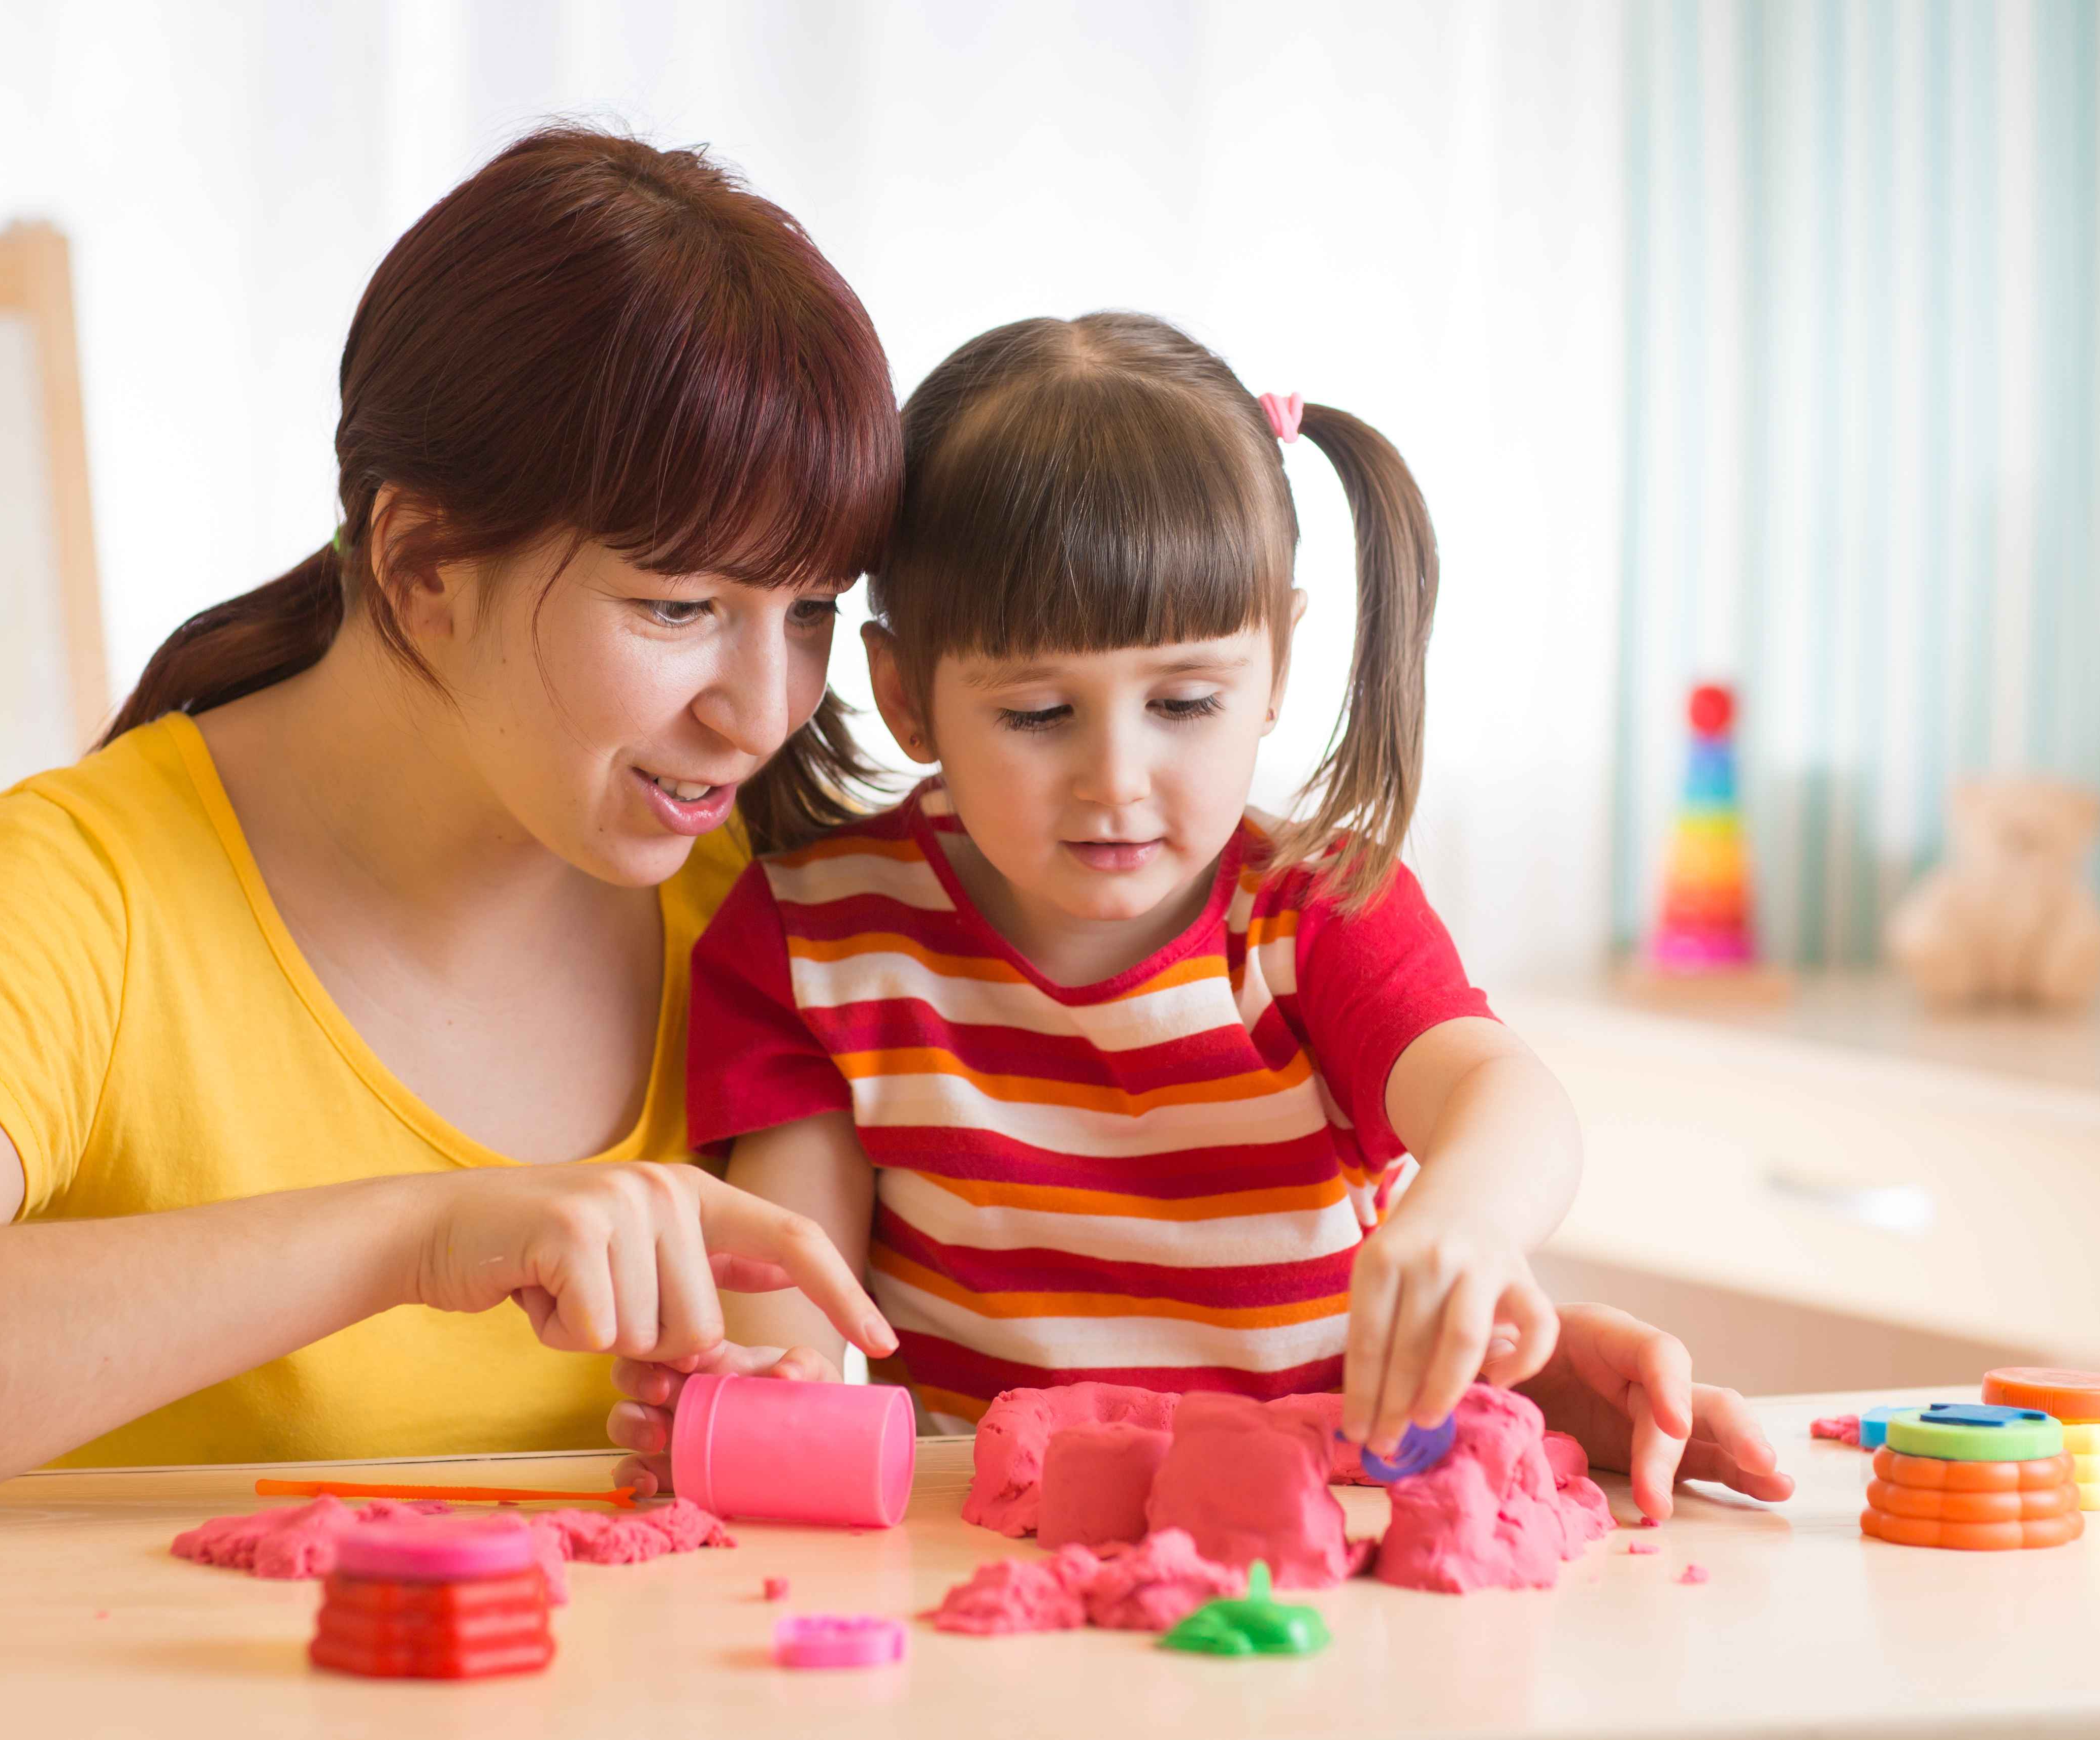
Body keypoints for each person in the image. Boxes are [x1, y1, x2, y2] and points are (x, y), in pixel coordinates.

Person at [0, 127, 905, 1526]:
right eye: (679, 610)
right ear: (424, 567)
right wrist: (410, 1234)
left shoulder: (779, 906)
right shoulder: (88, 889)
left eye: (807, 614)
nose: (764, 708)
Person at [611, 314, 1794, 1518]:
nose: (1115, 779)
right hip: (998, 1545)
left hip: (1319, 1533)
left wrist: (1466, 1230)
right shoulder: (818, 940)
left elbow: (1508, 1099)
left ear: (1274, 666)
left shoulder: (1312, 912)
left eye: (1182, 701)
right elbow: (791, 1290)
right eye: (1037, 715)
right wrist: (759, 1390)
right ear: (906, 697)